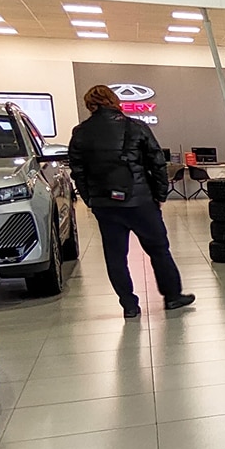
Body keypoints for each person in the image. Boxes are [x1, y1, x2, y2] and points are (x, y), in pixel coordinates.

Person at [68, 85, 196, 317]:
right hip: (141, 201)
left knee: (115, 256)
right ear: (114, 101)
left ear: (89, 104)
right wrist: (160, 194)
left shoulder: (81, 133)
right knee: (159, 249)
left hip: (105, 205)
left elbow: (77, 171)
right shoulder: (136, 127)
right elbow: (157, 162)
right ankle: (173, 297)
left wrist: (90, 199)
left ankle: (129, 305)